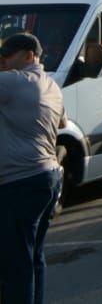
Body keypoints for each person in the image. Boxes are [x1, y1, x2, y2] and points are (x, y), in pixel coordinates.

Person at [0, 33, 65, 304]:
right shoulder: (52, 86)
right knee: (33, 256)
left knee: (16, 263)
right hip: (48, 177)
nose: (3, 62)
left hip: (20, 182)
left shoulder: (14, 81)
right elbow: (63, 123)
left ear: (29, 55)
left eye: (7, 56)